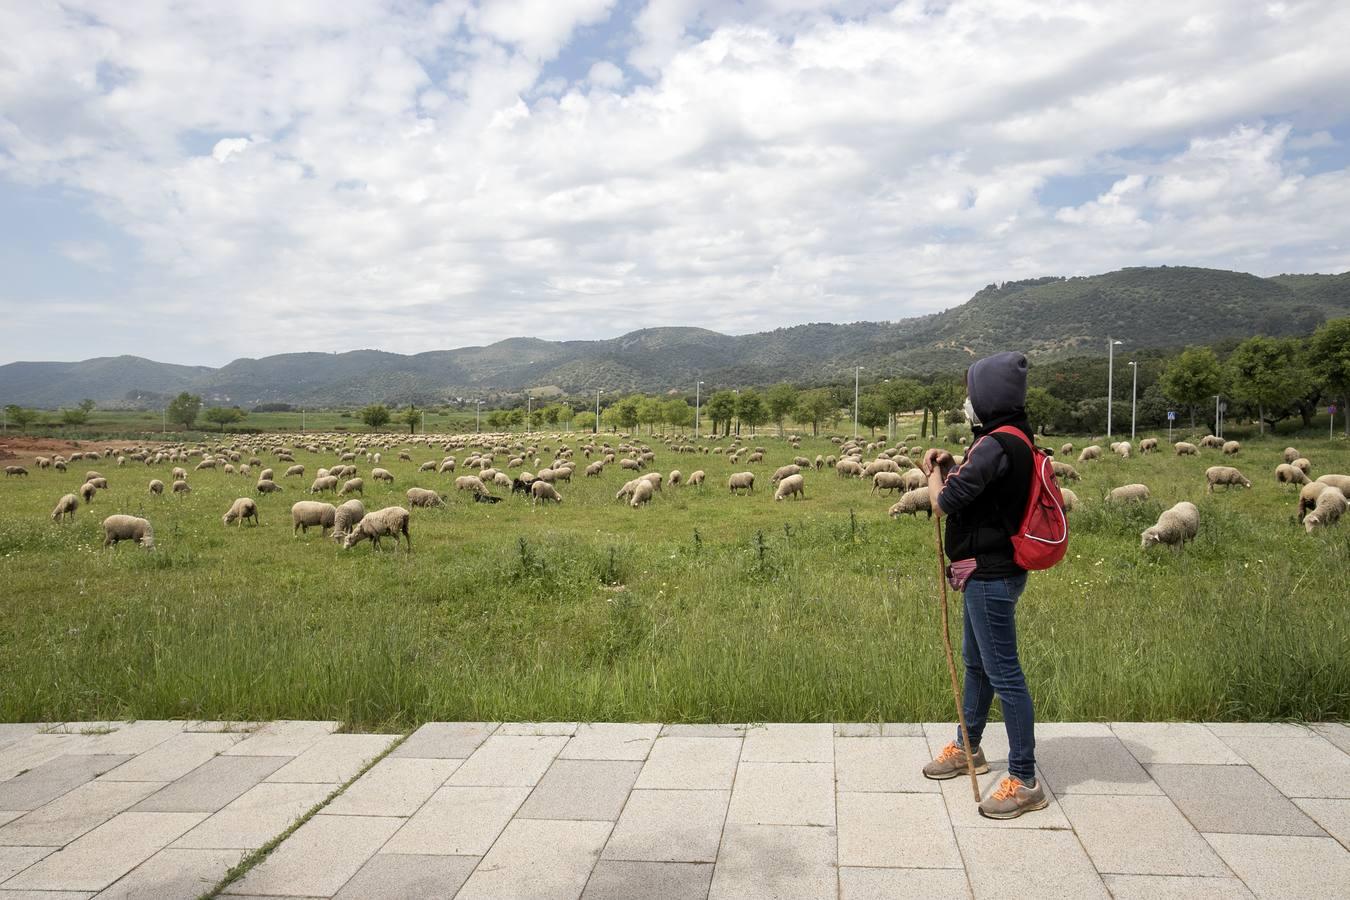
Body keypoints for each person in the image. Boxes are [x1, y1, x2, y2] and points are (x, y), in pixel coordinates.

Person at [918, 351, 1047, 820]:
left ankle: (1024, 778)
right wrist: (954, 462)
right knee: (977, 665)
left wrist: (934, 473)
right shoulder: (1010, 438)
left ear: (988, 397)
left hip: (990, 576)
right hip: (991, 572)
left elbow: (946, 502)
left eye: (971, 393)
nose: (967, 402)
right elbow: (981, 489)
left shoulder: (995, 443)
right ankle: (967, 746)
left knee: (1005, 674)